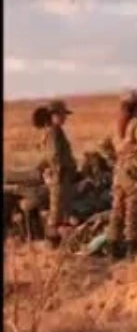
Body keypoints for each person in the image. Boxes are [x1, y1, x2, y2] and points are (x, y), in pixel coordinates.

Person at [107, 92, 137, 258]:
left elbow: (107, 145)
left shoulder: (118, 124)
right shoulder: (136, 123)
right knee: (133, 210)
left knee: (117, 209)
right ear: (136, 106)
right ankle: (131, 248)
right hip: (132, 173)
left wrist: (117, 159)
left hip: (119, 172)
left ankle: (112, 247)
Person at [40, 100, 78, 248]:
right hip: (59, 177)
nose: (65, 118)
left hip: (61, 176)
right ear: (54, 115)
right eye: (62, 114)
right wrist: (58, 173)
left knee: (61, 209)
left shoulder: (55, 130)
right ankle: (51, 242)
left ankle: (57, 241)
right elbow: (53, 155)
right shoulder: (54, 131)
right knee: (56, 210)